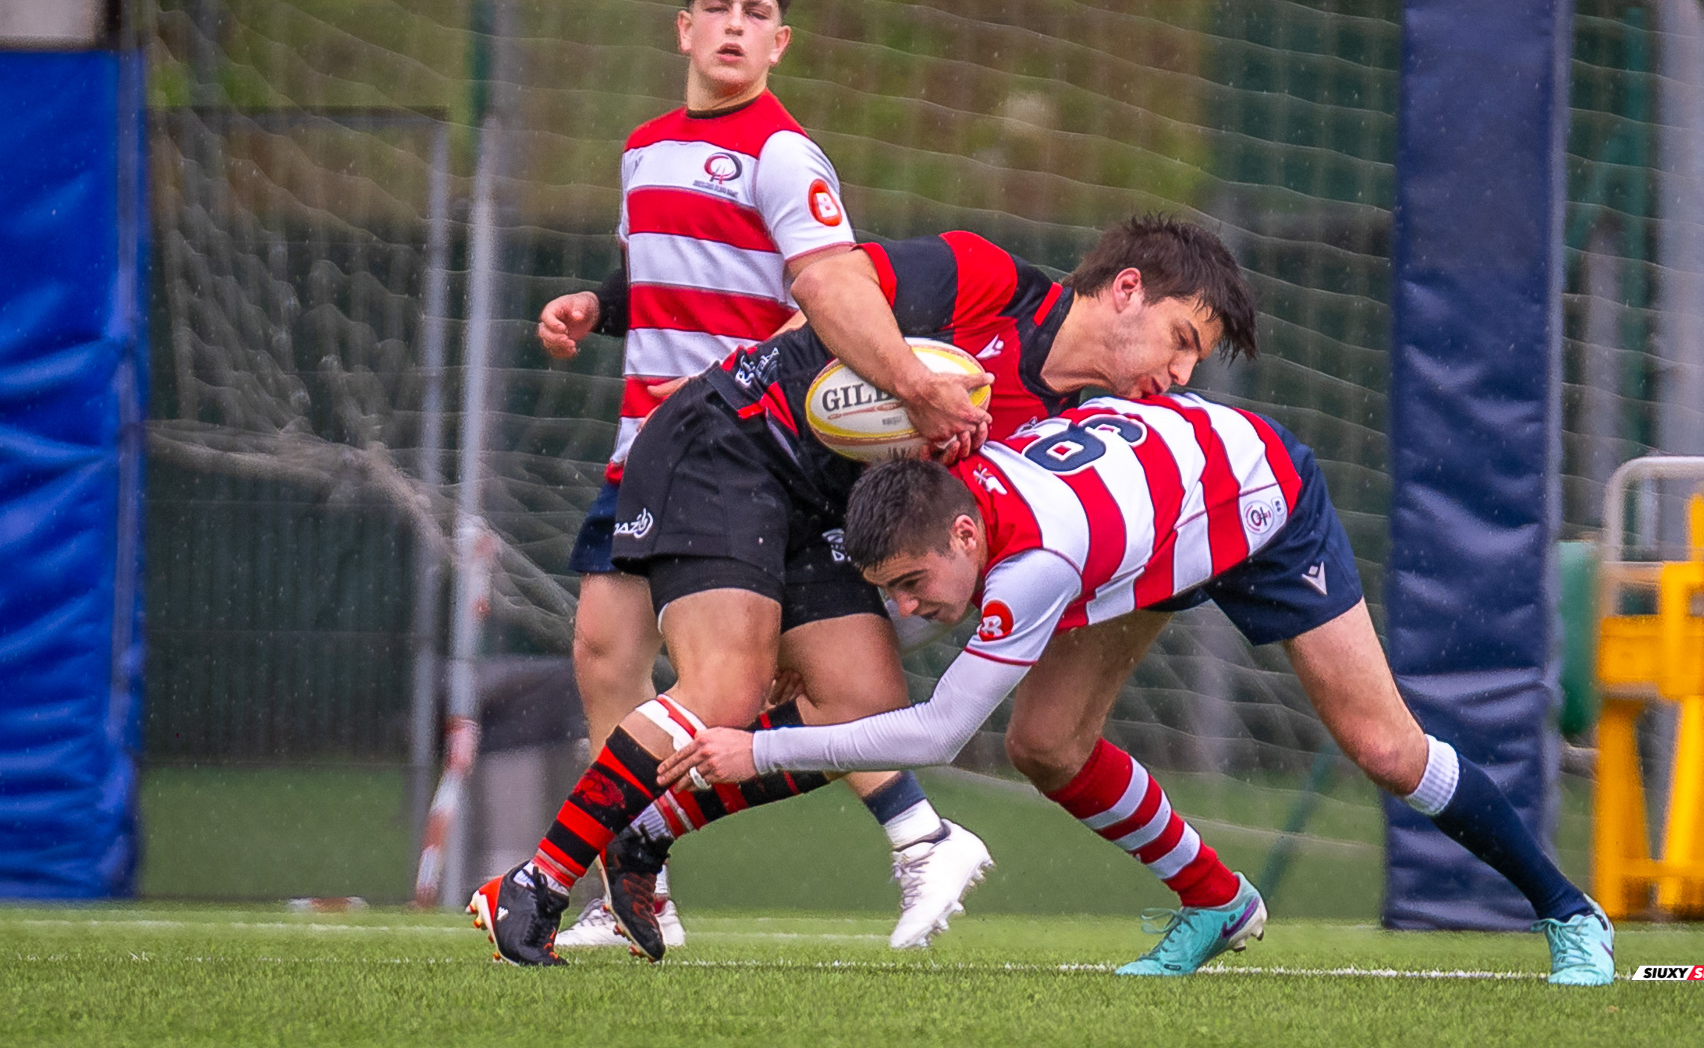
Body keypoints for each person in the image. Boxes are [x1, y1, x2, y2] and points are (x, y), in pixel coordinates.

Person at [477, 216, 1258, 967]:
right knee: (725, 687)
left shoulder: (1077, 424)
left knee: (864, 698)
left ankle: (644, 839)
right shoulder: (991, 283)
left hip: (823, 512)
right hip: (734, 440)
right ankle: (535, 884)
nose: (1183, 374)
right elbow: (828, 282)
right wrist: (913, 382)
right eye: (1183, 341)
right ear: (1126, 290)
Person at [664, 396, 1618, 986]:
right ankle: (1217, 903)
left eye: (913, 587)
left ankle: (1571, 914)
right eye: (893, 596)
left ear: (963, 538)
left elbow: (942, 730)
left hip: (1255, 502)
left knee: (1386, 752)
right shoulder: (967, 516)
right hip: (1148, 535)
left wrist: (762, 747)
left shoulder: (1031, 562)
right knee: (1047, 745)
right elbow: (944, 617)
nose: (912, 609)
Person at [523, 0, 987, 952]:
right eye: (715, 7)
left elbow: (836, 287)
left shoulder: (785, 155)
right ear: (683, 28)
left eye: (755, 12)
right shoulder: (642, 150)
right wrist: (593, 304)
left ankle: (918, 832)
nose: (733, 24)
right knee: (604, 656)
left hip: (747, 449)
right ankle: (633, 880)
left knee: (800, 671)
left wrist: (909, 385)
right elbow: (656, 275)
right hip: (648, 447)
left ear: (780, 42)